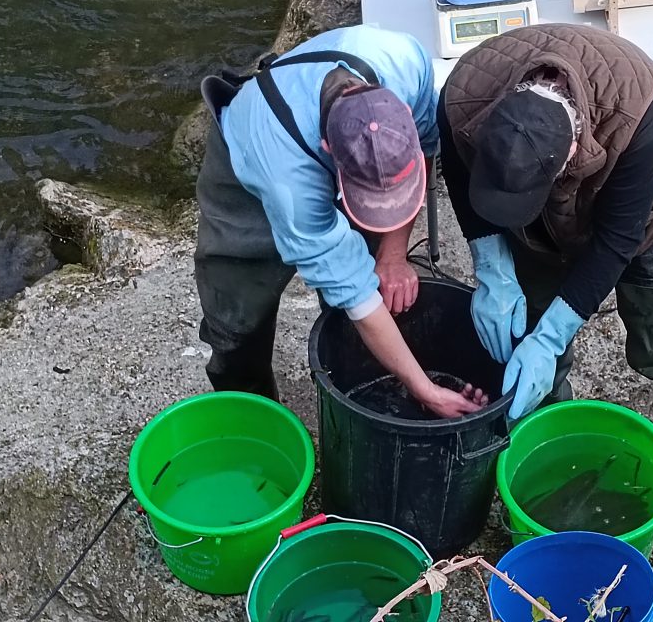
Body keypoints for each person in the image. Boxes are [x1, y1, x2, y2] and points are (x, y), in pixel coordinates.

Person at [438, 23, 653, 524]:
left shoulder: (638, 113)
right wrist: (492, 266)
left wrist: (553, 336)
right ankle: (557, 449)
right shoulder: (465, 95)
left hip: (644, 216)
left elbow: (616, 242)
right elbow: (458, 168)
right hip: (531, 209)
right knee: (525, 329)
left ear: (574, 151)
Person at [194, 25, 488, 419]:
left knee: (369, 285)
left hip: (333, 146)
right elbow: (355, 292)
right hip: (248, 162)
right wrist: (426, 391)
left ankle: (352, 385)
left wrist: (393, 254)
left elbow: (426, 146)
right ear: (329, 152)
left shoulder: (404, 61)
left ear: (402, 112)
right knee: (237, 319)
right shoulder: (290, 184)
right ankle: (254, 420)